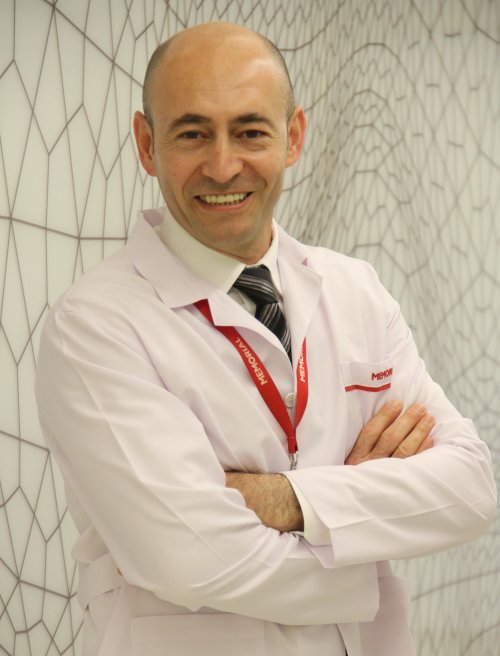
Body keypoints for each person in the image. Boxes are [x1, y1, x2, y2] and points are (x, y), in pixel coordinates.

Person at [35, 21, 496, 656]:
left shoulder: (356, 290)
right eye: (193, 133)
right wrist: (369, 534)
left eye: (250, 131)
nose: (223, 165)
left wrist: (284, 499)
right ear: (146, 144)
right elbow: (192, 558)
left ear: (293, 137)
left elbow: (471, 488)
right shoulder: (94, 326)